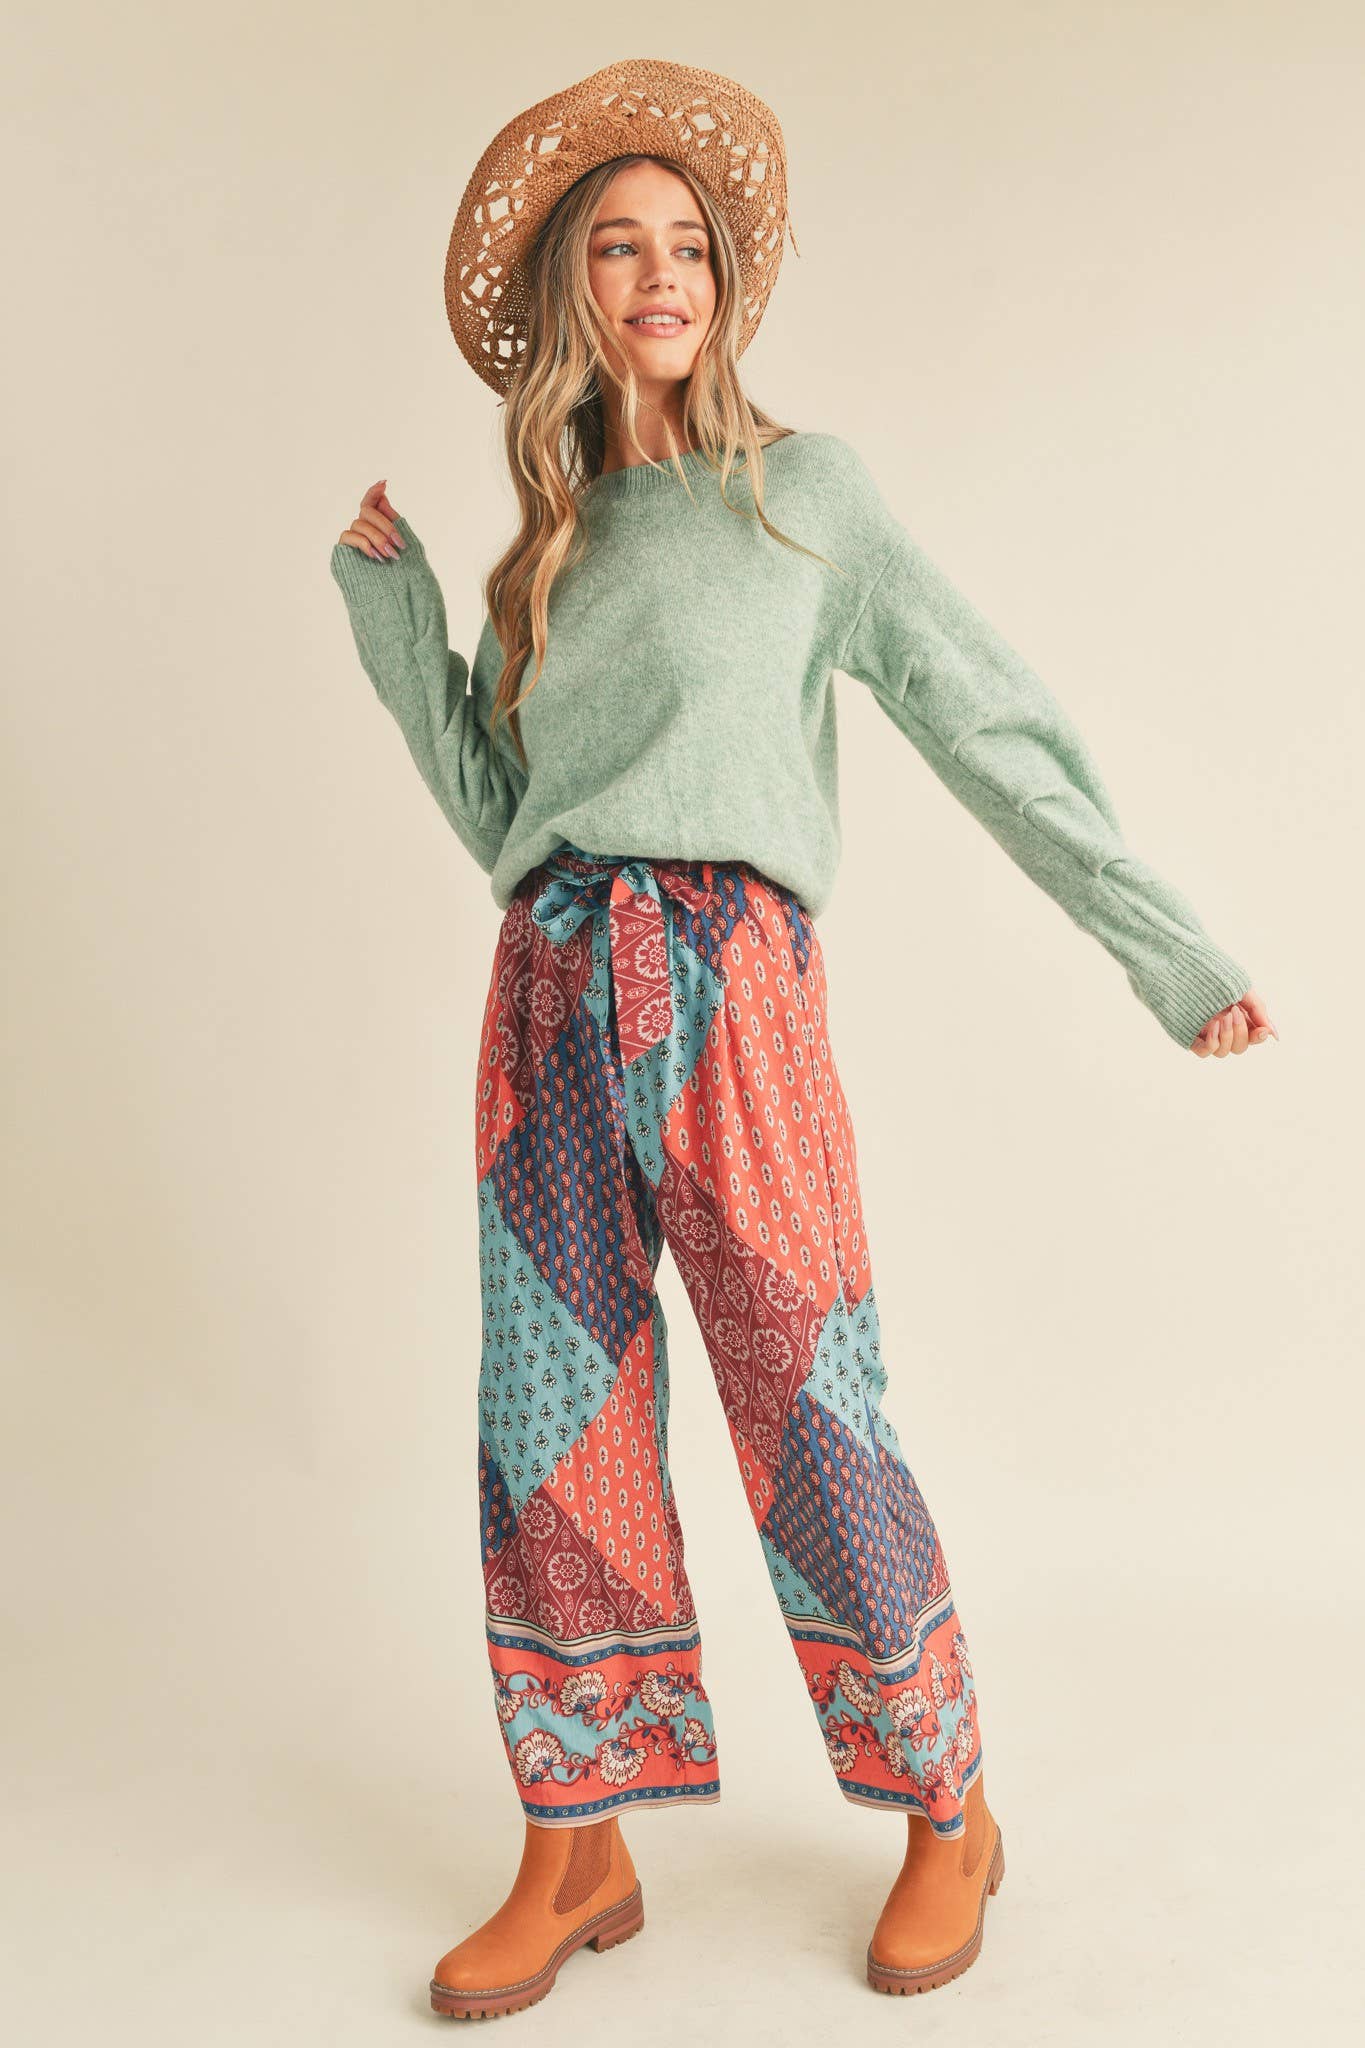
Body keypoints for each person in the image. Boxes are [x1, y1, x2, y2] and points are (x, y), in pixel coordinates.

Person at [329, 57, 1275, 2021]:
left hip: (731, 984)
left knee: (806, 1395)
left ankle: (947, 1807)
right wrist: (396, 616)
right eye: (617, 247)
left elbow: (980, 718)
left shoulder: (805, 495)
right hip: (547, 986)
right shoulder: (550, 543)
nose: (658, 275)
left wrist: (1167, 951)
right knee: (550, 1430)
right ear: (574, 293)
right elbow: (499, 811)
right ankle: (574, 1843)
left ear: (725, 280)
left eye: (684, 244)